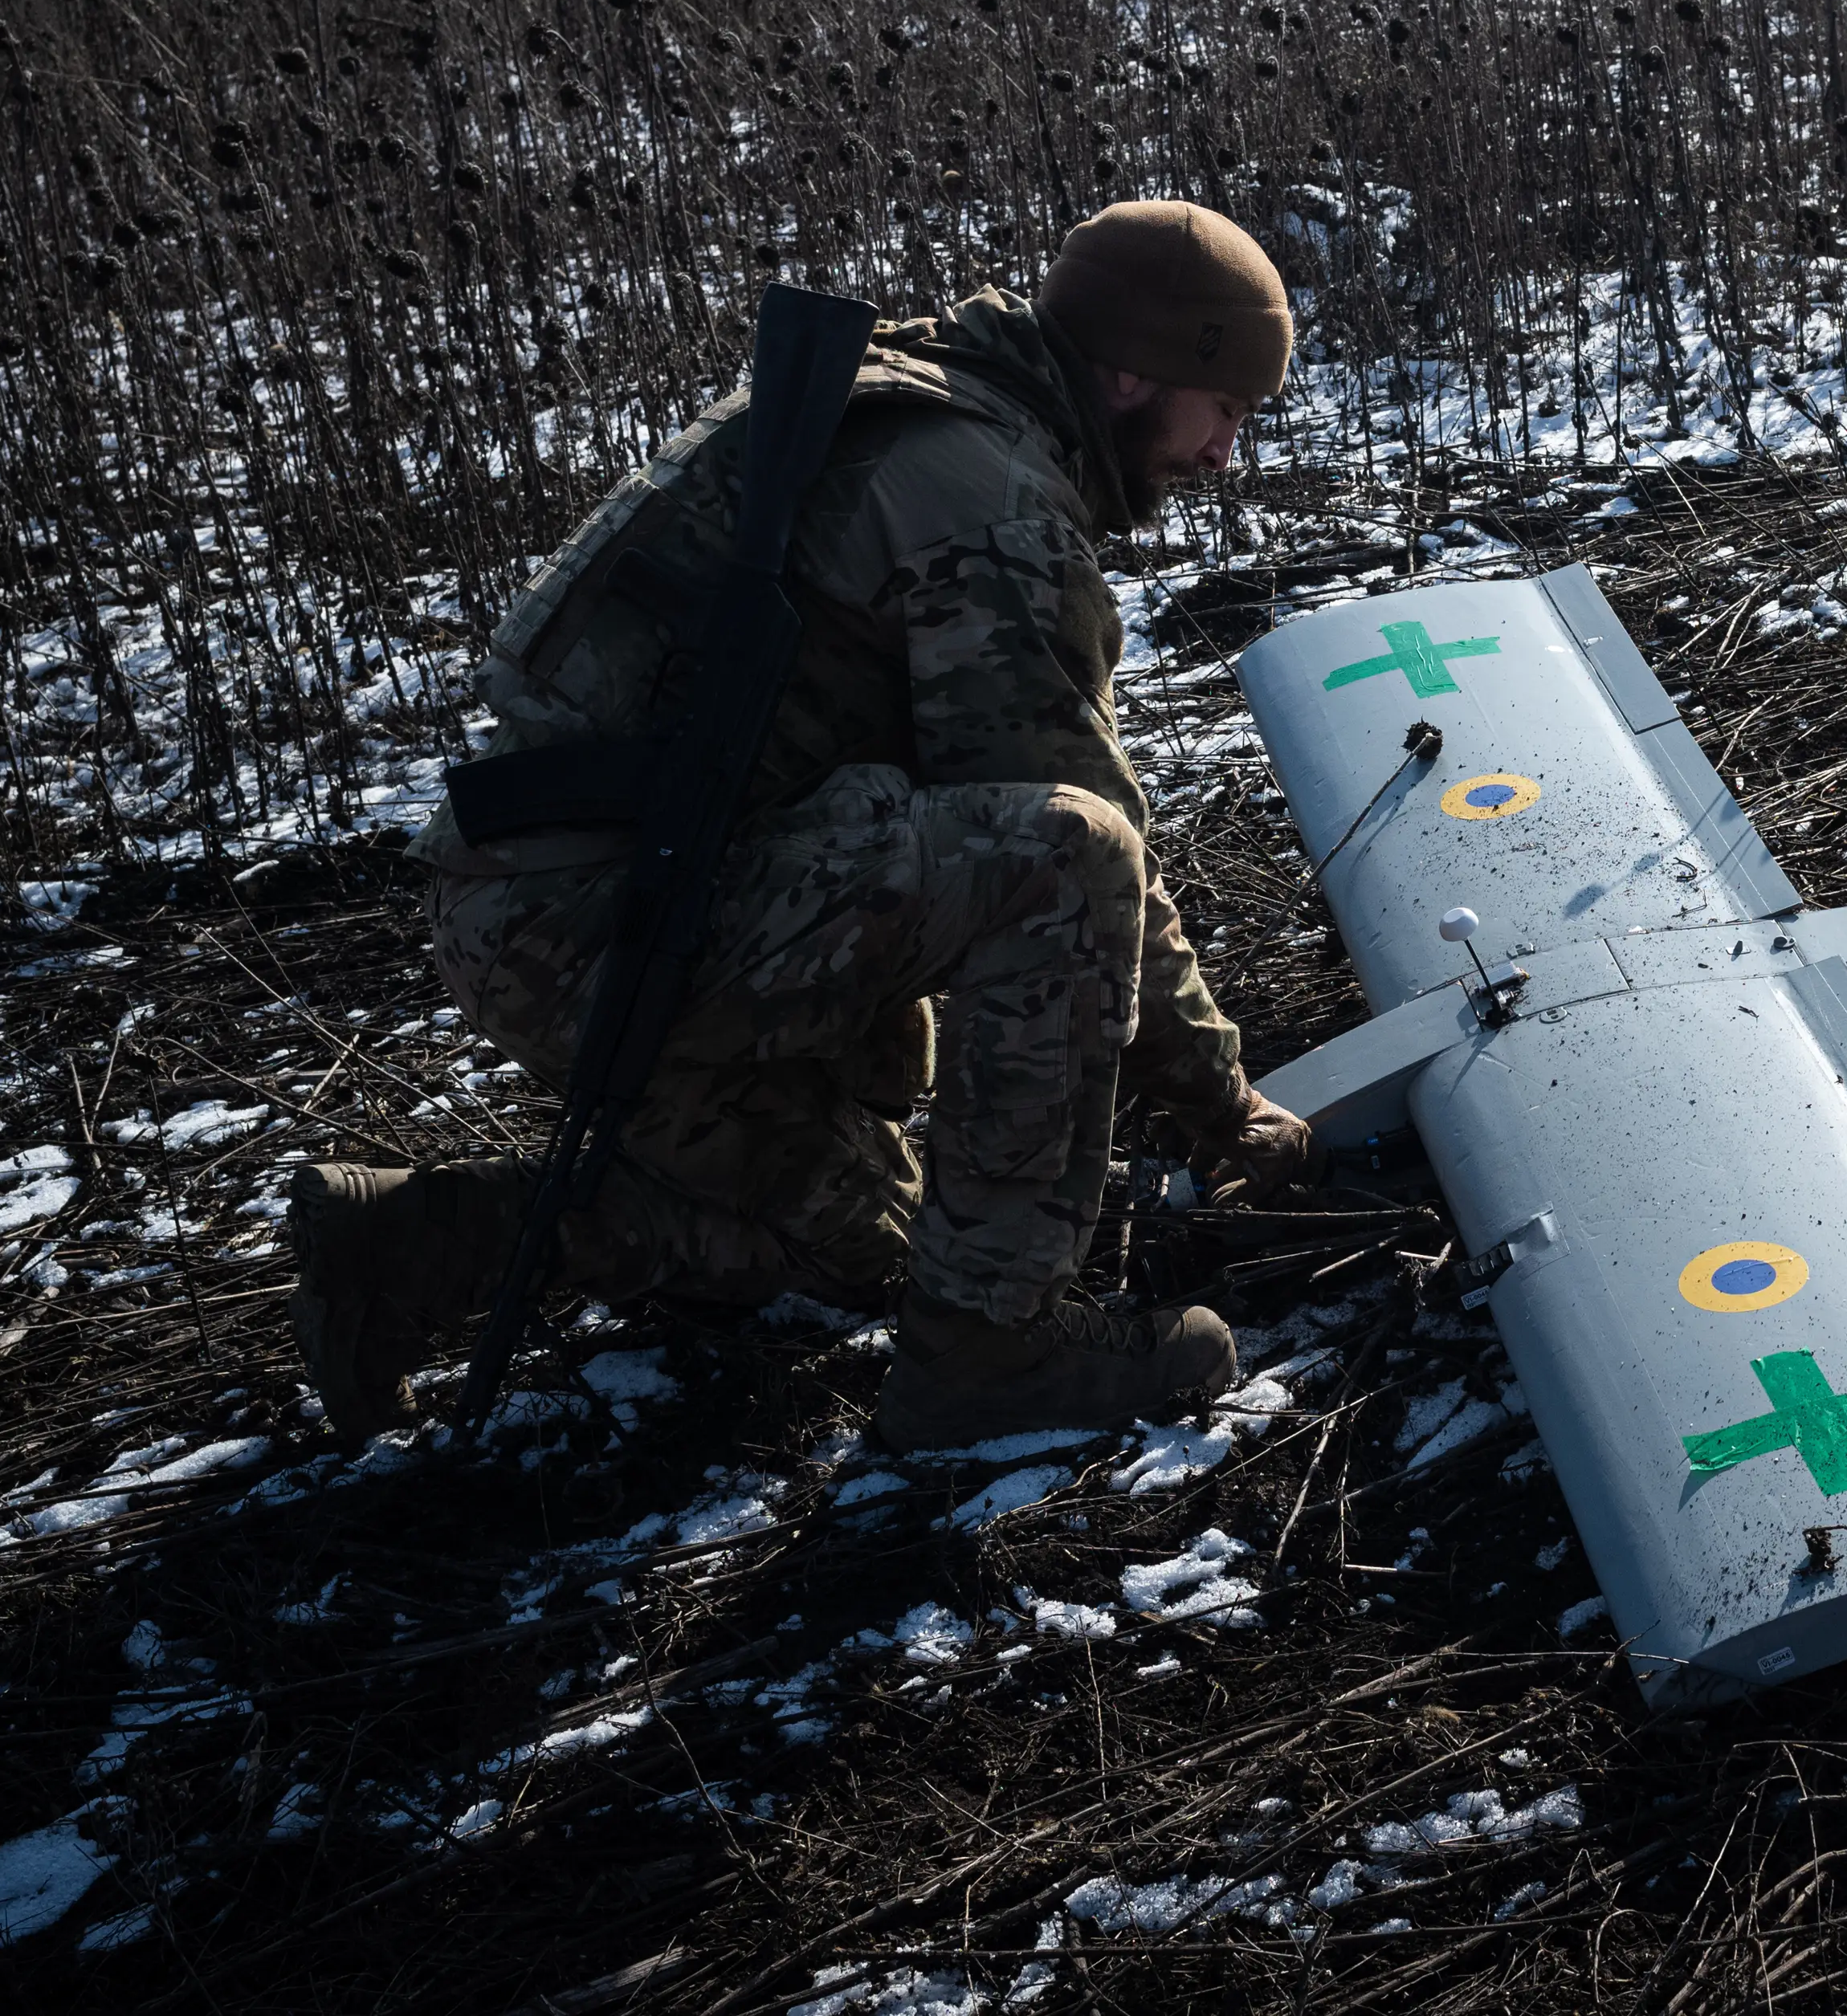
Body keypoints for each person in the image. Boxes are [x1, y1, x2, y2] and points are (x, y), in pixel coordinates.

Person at [286, 202, 1314, 1451]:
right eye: (1227, 409)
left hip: (549, 901)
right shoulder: (982, 497)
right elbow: (1079, 844)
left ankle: (408, 1245)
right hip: (613, 923)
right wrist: (1228, 1109)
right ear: (1135, 371)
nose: (1224, 455)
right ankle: (987, 1360)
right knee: (1071, 857)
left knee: (864, 1242)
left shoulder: (922, 397)